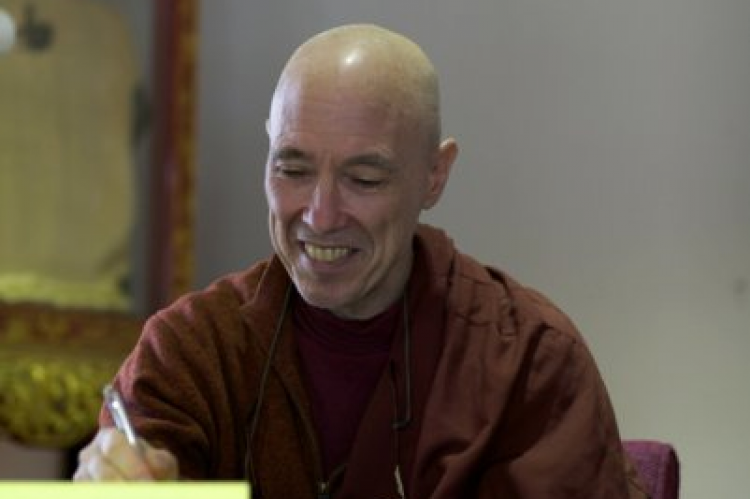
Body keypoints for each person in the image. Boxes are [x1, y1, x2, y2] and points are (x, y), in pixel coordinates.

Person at [74, 23, 647, 499]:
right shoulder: (194, 354)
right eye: (292, 169)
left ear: (434, 176)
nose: (321, 216)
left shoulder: (526, 361)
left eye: (364, 179)